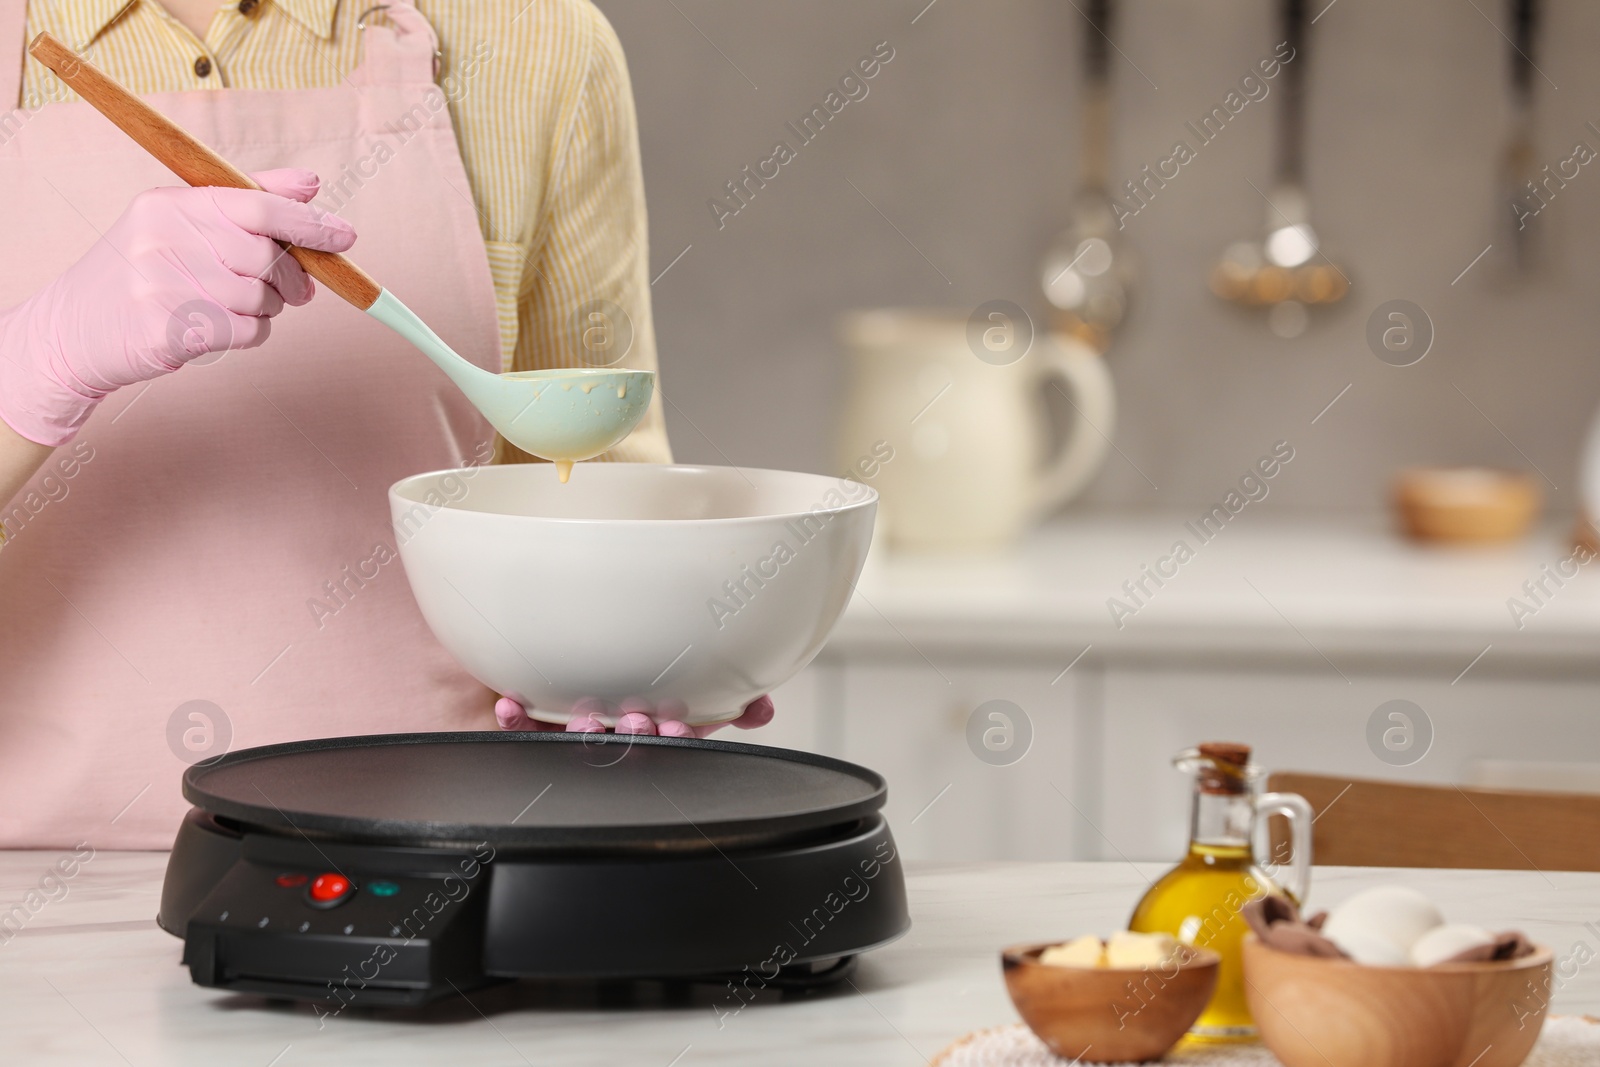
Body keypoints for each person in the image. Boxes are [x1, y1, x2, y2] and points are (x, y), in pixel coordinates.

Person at [0, 0, 769, 850]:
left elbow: (592, 478)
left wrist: (651, 652)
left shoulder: (538, 45)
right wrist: (32, 366)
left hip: (448, 865)